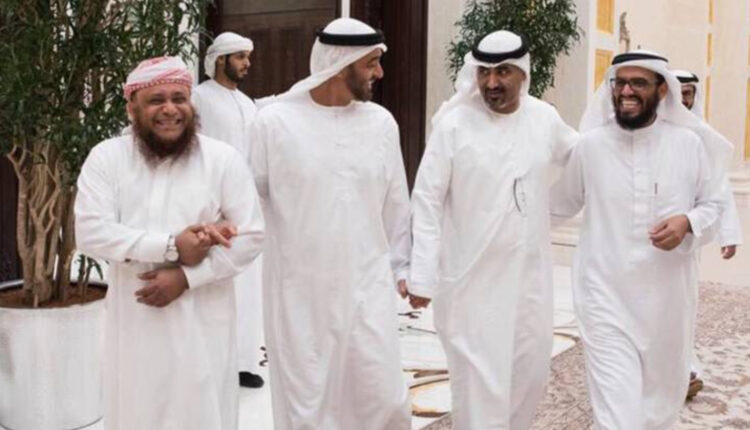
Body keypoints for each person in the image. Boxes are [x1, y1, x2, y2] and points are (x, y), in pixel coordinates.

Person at [75, 56, 264, 430]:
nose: (170, 110)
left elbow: (251, 234)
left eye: (179, 98)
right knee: (137, 411)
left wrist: (187, 277)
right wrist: (171, 247)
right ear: (132, 107)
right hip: (135, 323)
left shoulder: (221, 159)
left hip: (203, 322)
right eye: (156, 100)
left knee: (202, 412)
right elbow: (91, 231)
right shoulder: (107, 157)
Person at [408, 30, 578, 429]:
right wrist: (422, 274)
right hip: (471, 286)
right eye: (483, 72)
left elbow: (584, 158)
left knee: (529, 376)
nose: (491, 82)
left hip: (529, 284)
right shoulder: (454, 125)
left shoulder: (544, 118)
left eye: (502, 72)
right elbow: (427, 199)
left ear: (523, 73)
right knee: (479, 389)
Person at [248, 18, 412, 430]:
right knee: (309, 404)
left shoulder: (381, 123)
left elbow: (396, 204)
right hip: (299, 292)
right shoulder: (274, 123)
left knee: (383, 398)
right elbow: (248, 202)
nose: (380, 73)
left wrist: (405, 267)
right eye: (371, 63)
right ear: (341, 65)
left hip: (368, 286)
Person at [550, 50, 724, 429]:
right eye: (620, 83)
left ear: (662, 90)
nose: (626, 91)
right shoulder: (591, 146)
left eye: (638, 83)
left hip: (667, 304)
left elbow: (714, 205)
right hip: (604, 298)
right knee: (618, 415)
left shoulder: (688, 144)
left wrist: (688, 222)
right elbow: (555, 206)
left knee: (658, 412)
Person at [192, 31, 265, 389]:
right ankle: (211, 363)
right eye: (240, 57)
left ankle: (243, 362)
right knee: (214, 285)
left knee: (248, 286)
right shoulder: (198, 97)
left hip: (245, 204)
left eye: (248, 57)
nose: (247, 64)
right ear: (220, 60)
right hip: (210, 205)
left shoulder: (248, 104)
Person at [672, 68, 743, 399]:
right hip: (644, 237)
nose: (683, 100)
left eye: (688, 93)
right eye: (678, 93)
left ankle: (684, 369)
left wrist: (728, 233)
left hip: (689, 235)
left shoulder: (702, 135)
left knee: (683, 303)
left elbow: (719, 188)